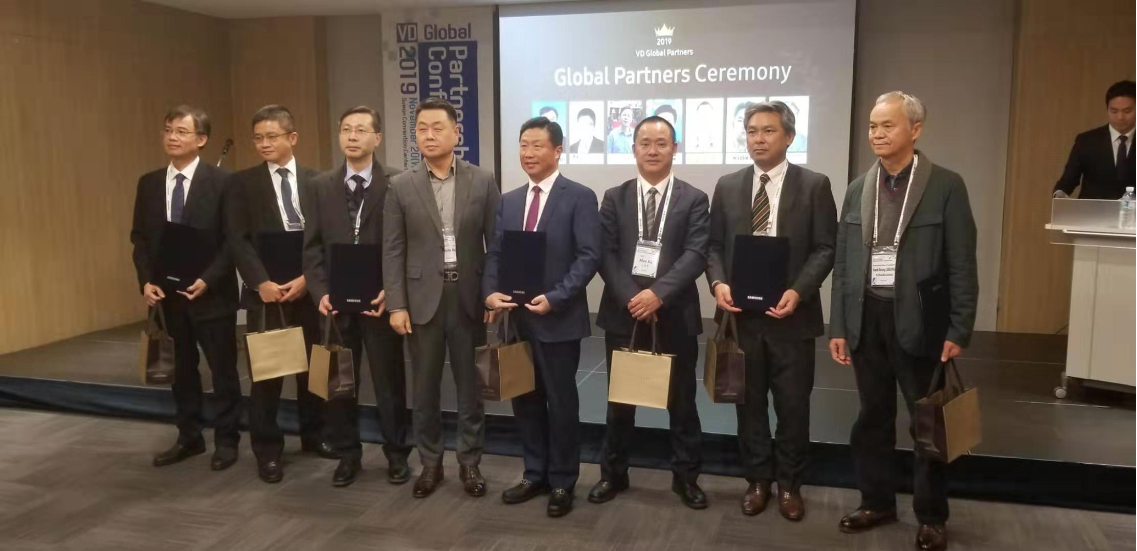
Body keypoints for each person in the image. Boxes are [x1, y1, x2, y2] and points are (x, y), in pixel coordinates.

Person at [829, 91, 978, 551]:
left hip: (921, 321)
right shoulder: (858, 187)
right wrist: (839, 326)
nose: (877, 134)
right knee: (872, 418)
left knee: (927, 423)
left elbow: (962, 261)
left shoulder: (946, 185)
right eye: (873, 126)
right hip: (867, 318)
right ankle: (876, 502)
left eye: (887, 125)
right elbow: (845, 263)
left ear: (915, 129)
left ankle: (931, 517)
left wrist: (959, 327)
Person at [706, 101, 837, 520]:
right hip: (741, 317)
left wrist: (799, 291)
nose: (758, 139)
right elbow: (712, 246)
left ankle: (790, 485)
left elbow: (825, 247)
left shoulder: (814, 185)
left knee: (793, 406)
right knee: (748, 405)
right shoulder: (728, 185)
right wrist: (718, 282)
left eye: (768, 131)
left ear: (789, 137)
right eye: (751, 131)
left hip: (792, 317)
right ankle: (758, 480)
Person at [589, 116, 711, 509]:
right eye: (645, 143)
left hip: (674, 314)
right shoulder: (615, 197)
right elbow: (605, 253)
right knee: (620, 402)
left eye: (661, 143)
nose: (653, 150)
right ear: (633, 149)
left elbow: (696, 253)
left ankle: (686, 478)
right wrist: (633, 297)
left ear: (675, 148)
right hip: (624, 314)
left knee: (682, 403)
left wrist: (658, 294)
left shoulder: (694, 198)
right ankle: (613, 474)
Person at [484, 117, 601, 517]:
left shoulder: (579, 196)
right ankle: (534, 473)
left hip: (558, 319)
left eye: (537, 146)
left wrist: (556, 297)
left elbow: (588, 256)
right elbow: (496, 253)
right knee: (525, 401)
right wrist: (490, 293)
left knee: (561, 403)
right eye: (523, 145)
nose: (528, 153)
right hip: (517, 321)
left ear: (557, 151)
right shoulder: (509, 200)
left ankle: (563, 480)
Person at [384, 98, 500, 499]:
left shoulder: (482, 180)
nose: (429, 135)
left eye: (437, 127)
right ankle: (430, 463)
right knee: (424, 388)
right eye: (421, 129)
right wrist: (396, 304)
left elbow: (495, 245)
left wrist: (490, 294)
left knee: (470, 387)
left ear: (456, 133)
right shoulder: (401, 185)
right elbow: (392, 250)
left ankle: (470, 462)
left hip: (467, 296)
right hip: (421, 301)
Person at [301, 106, 411, 487]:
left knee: (389, 383)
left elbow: (406, 245)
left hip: (380, 301)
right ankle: (347, 454)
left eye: (361, 130)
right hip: (335, 305)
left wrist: (392, 292)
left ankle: (397, 453)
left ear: (377, 138)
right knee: (338, 384)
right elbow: (311, 247)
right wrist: (319, 292)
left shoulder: (398, 182)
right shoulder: (320, 186)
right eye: (346, 129)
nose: (352, 136)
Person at [130, 105, 241, 471]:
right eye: (168, 130)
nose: (172, 137)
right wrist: (145, 281)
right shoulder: (148, 183)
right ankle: (189, 437)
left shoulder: (224, 182)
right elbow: (140, 239)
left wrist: (209, 278)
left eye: (181, 131)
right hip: (166, 296)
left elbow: (234, 240)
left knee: (223, 372)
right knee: (181, 372)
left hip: (212, 293)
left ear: (201, 139)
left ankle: (227, 441)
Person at [227, 105, 333, 484]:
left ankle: (315, 436)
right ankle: (267, 450)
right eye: (258, 138)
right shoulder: (242, 183)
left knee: (313, 371)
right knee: (267, 376)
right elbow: (237, 240)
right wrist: (261, 283)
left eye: (272, 136)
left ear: (293, 137)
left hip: (310, 289)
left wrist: (308, 279)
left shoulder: (318, 180)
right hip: (267, 293)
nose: (264, 144)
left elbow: (327, 237)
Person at [1054, 80, 1136, 199]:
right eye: (1114, 111)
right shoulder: (1086, 141)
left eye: (1127, 111)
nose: (1120, 117)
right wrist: (1060, 195)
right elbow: (1068, 180)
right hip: (1092, 209)